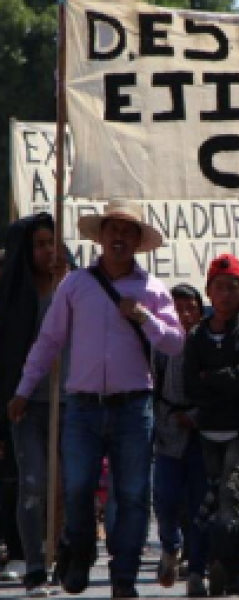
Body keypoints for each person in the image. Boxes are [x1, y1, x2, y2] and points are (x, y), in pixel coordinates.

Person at [10, 200, 184, 598]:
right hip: (83, 406)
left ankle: (123, 576)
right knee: (76, 488)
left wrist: (145, 317)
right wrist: (23, 389)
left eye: (128, 231)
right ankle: (81, 551)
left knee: (133, 494)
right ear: (101, 236)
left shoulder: (152, 289)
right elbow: (49, 340)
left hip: (133, 406)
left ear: (138, 241)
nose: (119, 237)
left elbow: (175, 343)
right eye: (113, 229)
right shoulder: (75, 285)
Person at [183, 254, 239, 597]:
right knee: (206, 501)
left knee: (232, 499)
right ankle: (205, 564)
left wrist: (212, 377)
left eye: (233, 287)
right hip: (205, 431)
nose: (226, 294)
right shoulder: (197, 335)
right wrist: (228, 377)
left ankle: (231, 567)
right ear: (208, 292)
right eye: (220, 287)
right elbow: (191, 385)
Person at [0, 213, 67, 595]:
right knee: (33, 485)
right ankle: (35, 567)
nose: (46, 251)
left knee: (72, 486)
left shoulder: (73, 286)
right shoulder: (12, 293)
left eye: (51, 243)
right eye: (39, 245)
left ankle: (66, 555)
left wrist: (66, 281)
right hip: (25, 406)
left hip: (71, 402)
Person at [152, 283, 209, 597]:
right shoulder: (159, 344)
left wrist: (197, 416)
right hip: (167, 430)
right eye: (177, 308)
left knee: (200, 504)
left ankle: (197, 568)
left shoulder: (209, 342)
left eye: (191, 307)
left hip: (202, 432)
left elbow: (217, 390)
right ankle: (170, 547)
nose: (185, 315)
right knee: (166, 497)